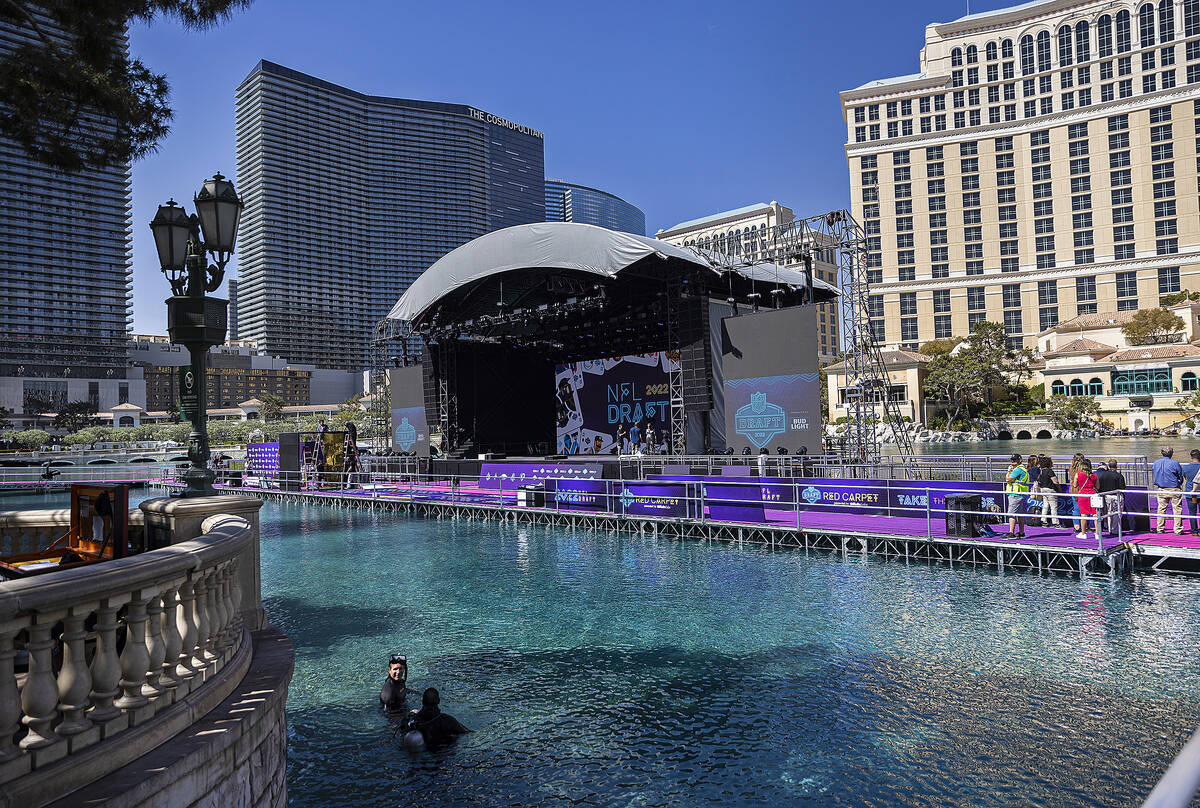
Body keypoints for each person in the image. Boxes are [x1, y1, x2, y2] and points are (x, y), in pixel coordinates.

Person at [401, 687, 470, 750]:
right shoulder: (447, 720)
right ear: (439, 701)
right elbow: (466, 733)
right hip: (444, 753)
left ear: (422, 701)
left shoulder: (414, 720)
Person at [1152, 447, 1185, 534]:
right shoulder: (1175, 463)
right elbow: (1180, 476)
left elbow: (1154, 473)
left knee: (1161, 509)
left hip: (1161, 488)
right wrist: (1179, 483)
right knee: (1177, 509)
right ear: (1171, 454)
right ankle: (1177, 529)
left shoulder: (1156, 463)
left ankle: (1160, 528)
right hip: (1174, 488)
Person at [1096, 460, 1127, 537]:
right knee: (1117, 513)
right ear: (1116, 466)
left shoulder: (1103, 475)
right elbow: (1122, 487)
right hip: (1116, 495)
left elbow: (1101, 486)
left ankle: (1110, 529)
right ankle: (1115, 530)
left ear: (1109, 466)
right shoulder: (1118, 475)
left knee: (1109, 512)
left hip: (1107, 496)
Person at [1004, 453, 1029, 537]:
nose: (1013, 462)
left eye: (1015, 460)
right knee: (1020, 514)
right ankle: (1021, 532)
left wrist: (1009, 471)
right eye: (1012, 460)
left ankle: (1011, 533)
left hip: (1015, 494)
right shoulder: (1021, 468)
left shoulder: (1018, 469)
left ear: (1020, 460)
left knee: (1012, 513)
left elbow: (1008, 479)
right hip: (1019, 494)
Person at [1075, 458, 1099, 541]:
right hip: (1093, 495)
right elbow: (1098, 487)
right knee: (1096, 515)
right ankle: (1097, 534)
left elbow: (1075, 485)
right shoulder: (1094, 475)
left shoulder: (1078, 474)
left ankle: (1083, 533)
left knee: (1084, 515)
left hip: (1083, 495)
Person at [1037, 456, 1063, 528]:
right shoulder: (1050, 471)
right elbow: (1055, 481)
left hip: (1043, 489)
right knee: (1053, 506)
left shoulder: (1041, 471)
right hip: (1050, 490)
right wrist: (1059, 489)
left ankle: (1043, 520)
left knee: (1045, 505)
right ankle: (1055, 522)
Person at [1183, 449, 1200, 535]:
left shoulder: (1186, 467)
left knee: (1192, 512)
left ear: (1191, 457)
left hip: (1191, 494)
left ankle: (1194, 531)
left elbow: (1185, 478)